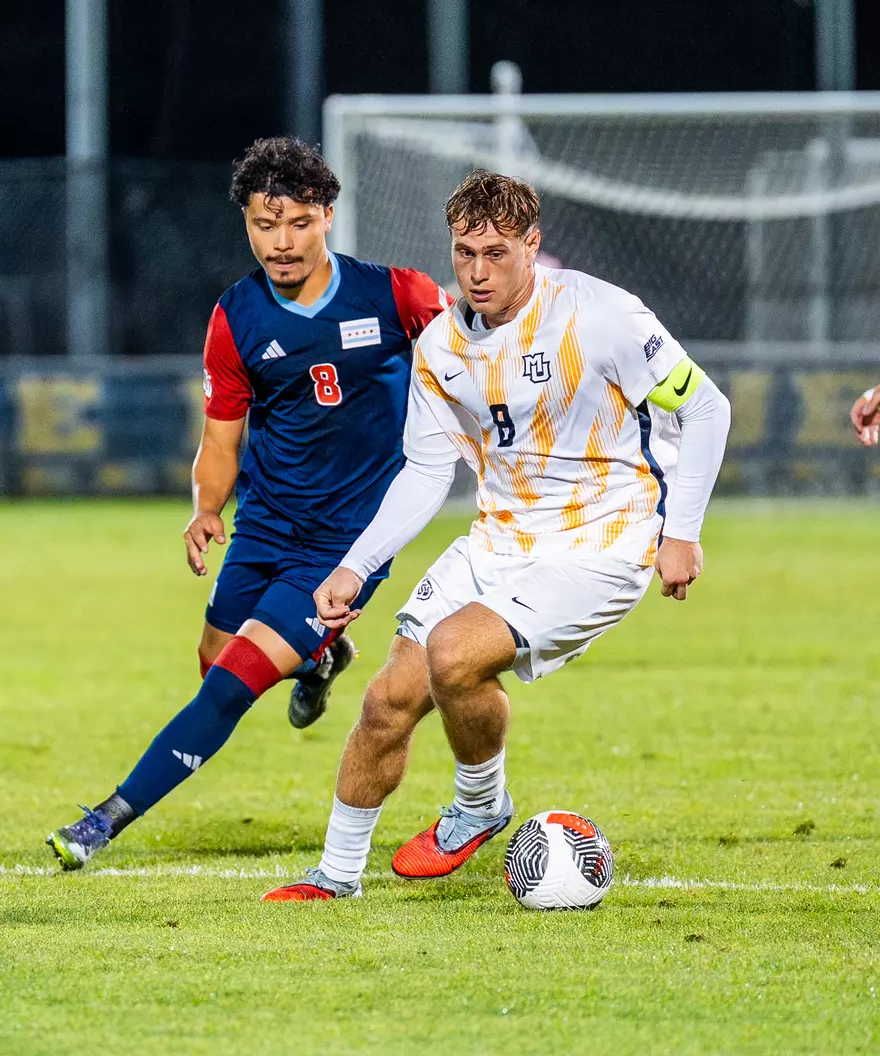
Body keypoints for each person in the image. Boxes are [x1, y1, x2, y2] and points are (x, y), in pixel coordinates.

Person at [261, 169, 731, 902]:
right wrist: (356, 565)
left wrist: (684, 532)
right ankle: (335, 877)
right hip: (498, 538)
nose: (478, 272)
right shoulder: (443, 346)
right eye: (464, 253)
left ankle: (480, 805)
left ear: (531, 245)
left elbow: (706, 409)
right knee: (388, 699)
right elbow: (424, 471)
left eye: (496, 253)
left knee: (454, 654)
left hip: (604, 540)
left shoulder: (599, 315)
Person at [47, 137, 450, 870]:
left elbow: (473, 358)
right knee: (212, 663)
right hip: (265, 524)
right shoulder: (236, 318)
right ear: (246, 225)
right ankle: (319, 662)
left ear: (328, 216)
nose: (282, 242)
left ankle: (104, 819)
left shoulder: (398, 294)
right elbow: (221, 439)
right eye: (266, 225)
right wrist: (206, 508)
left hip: (346, 545)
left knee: (229, 688)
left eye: (298, 222)